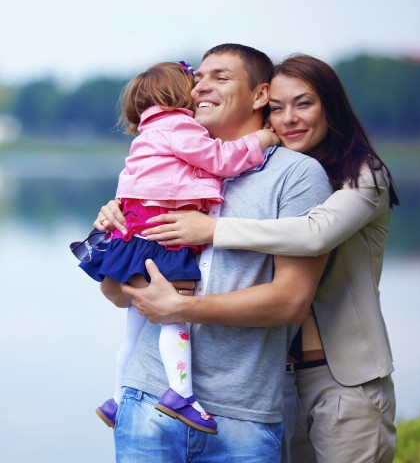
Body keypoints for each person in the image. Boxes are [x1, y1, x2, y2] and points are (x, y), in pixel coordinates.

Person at [128, 54, 400, 462]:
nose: (288, 118)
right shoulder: (266, 173)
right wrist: (116, 219)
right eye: (277, 107)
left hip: (342, 375)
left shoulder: (363, 176)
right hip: (278, 378)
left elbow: (314, 233)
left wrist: (213, 231)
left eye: (304, 104)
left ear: (332, 108)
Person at [95, 44, 332, 462]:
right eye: (199, 77)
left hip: (241, 416)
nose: (201, 86)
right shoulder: (165, 159)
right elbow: (115, 295)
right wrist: (115, 228)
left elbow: (291, 301)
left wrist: (177, 307)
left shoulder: (297, 175)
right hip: (145, 401)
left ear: (260, 96)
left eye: (220, 78)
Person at [70, 60, 280, 435]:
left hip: (135, 239)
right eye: (195, 83)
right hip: (164, 244)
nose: (199, 90)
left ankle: (116, 398)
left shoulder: (147, 134)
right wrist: (261, 140)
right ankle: (181, 393)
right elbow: (219, 160)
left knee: (133, 330)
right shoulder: (178, 125)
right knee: (174, 318)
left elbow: (131, 187)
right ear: (178, 95)